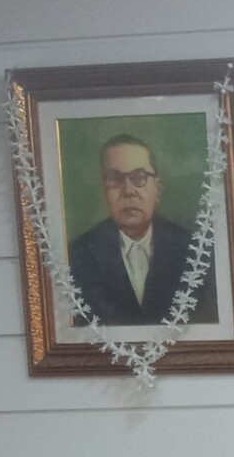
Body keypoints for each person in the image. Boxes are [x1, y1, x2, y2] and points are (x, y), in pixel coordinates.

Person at [67, 134, 218, 326]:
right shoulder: (77, 256)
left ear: (157, 189)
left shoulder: (195, 251)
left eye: (139, 177)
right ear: (104, 191)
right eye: (115, 179)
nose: (128, 191)